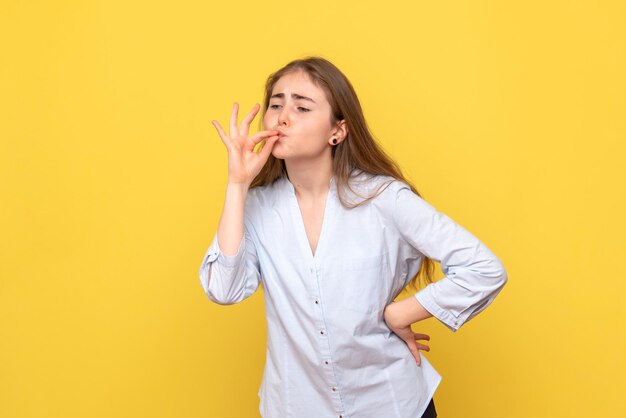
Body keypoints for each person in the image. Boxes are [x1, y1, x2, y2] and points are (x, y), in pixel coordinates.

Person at [199, 56, 508, 418]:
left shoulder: (384, 199)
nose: (282, 116)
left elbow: (484, 268)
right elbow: (223, 289)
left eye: (301, 106)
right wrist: (237, 185)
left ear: (338, 131)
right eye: (276, 104)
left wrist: (401, 313)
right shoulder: (255, 207)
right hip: (297, 407)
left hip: (391, 404)